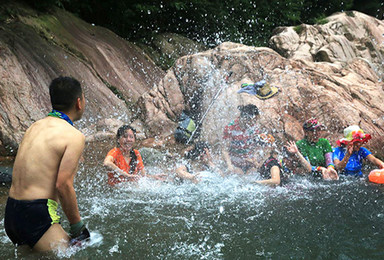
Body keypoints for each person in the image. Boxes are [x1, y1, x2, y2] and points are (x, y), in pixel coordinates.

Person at [4, 76, 90, 252]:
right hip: (36, 214)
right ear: (79, 102)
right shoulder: (74, 136)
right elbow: (63, 185)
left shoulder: (34, 127)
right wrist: (78, 228)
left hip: (11, 214)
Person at [222, 104, 270, 175]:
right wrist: (230, 166)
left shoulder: (254, 128)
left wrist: (255, 160)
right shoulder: (230, 128)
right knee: (239, 174)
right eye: (254, 120)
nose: (255, 123)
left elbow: (257, 147)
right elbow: (224, 149)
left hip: (249, 164)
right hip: (235, 164)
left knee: (254, 176)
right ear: (245, 118)